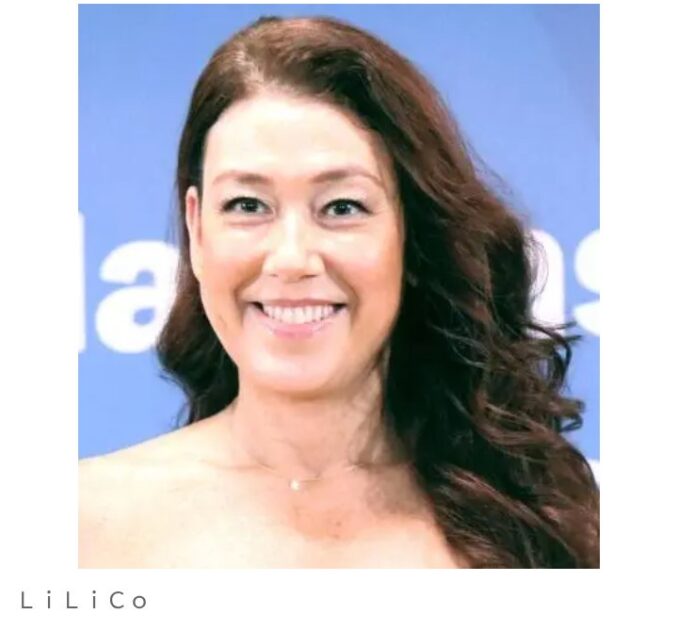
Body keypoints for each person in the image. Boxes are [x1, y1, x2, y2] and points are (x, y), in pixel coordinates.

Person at [79, 15, 599, 569]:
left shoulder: (543, 523)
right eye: (248, 205)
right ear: (197, 231)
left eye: (342, 207)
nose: (291, 258)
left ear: (412, 236)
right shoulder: (81, 521)